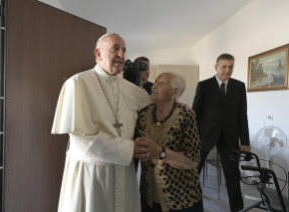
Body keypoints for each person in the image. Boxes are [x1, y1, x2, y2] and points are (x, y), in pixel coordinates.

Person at [51, 34, 152, 212]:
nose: (121, 54)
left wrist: (177, 105)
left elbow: (154, 110)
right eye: (115, 48)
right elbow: (82, 140)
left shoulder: (131, 89)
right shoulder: (77, 83)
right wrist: (130, 148)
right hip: (92, 174)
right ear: (98, 53)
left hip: (124, 170)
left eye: (124, 50)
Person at [134, 72, 203, 212]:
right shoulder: (142, 114)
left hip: (182, 199)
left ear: (175, 92)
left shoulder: (186, 117)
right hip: (149, 197)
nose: (154, 86)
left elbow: (193, 160)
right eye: (156, 82)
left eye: (162, 83)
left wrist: (162, 153)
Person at [192, 54, 251, 212]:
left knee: (232, 174)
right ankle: (187, 203)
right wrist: (191, 137)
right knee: (193, 169)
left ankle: (236, 207)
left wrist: (245, 141)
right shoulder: (204, 86)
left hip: (229, 137)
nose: (227, 70)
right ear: (216, 67)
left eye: (230, 67)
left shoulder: (239, 86)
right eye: (224, 66)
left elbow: (242, 115)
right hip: (204, 135)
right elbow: (195, 113)